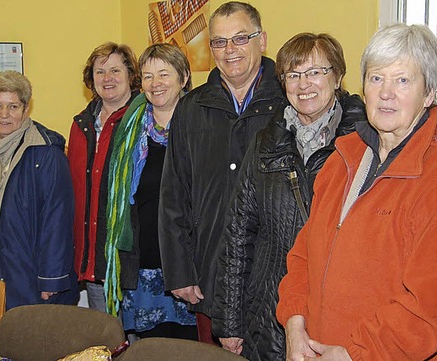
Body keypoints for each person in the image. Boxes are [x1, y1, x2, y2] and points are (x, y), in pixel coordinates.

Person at [276, 23, 437, 360]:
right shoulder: (342, 159)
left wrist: (354, 355)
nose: (386, 92)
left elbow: (428, 308)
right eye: (377, 78)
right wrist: (293, 322)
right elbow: (303, 254)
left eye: (403, 80)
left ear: (429, 93)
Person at [212, 33, 366, 361]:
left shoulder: (365, 143)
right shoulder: (266, 142)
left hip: (340, 314)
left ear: (337, 76)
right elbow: (238, 234)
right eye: (293, 75)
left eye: (315, 72)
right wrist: (230, 320)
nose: (303, 84)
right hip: (268, 311)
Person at [158, 1, 286, 343]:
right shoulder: (191, 107)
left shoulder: (289, 103)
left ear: (262, 41)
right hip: (210, 277)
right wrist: (180, 271)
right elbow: (174, 195)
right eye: (219, 41)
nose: (230, 50)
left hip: (276, 280)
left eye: (241, 38)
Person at [0, 70, 78, 309]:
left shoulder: (45, 152)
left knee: (29, 341)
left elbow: (58, 221)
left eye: (13, 107)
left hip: (28, 276)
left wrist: (51, 279)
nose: (4, 115)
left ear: (25, 109)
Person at [106, 43, 197, 339]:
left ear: (183, 78)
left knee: (192, 351)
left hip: (188, 266)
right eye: (147, 76)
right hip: (143, 266)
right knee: (149, 349)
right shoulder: (129, 129)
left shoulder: (202, 126)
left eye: (163, 74)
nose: (155, 84)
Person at [68, 42, 141, 313]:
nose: (107, 78)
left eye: (115, 70)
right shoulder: (80, 125)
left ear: (131, 75)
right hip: (94, 259)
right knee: (106, 342)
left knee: (141, 347)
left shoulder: (144, 119)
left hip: (132, 261)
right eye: (100, 72)